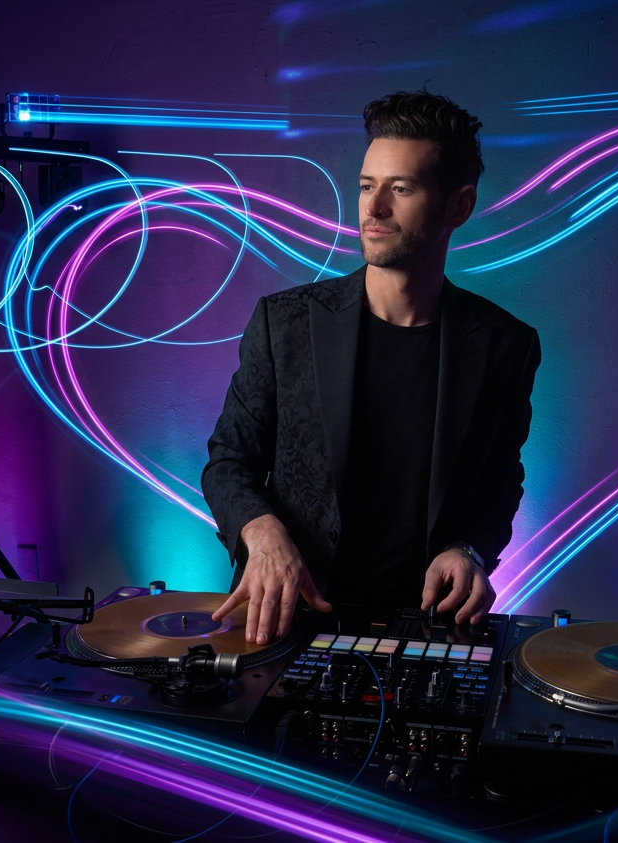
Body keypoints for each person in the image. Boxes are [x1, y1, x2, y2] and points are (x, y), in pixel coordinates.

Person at [202, 90, 540, 645]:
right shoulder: (284, 322)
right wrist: (261, 536)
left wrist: (469, 549)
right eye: (366, 186)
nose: (373, 208)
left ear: (459, 205)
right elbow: (228, 463)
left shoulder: (506, 346)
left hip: (428, 631)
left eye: (399, 189)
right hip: (288, 621)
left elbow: (501, 483)